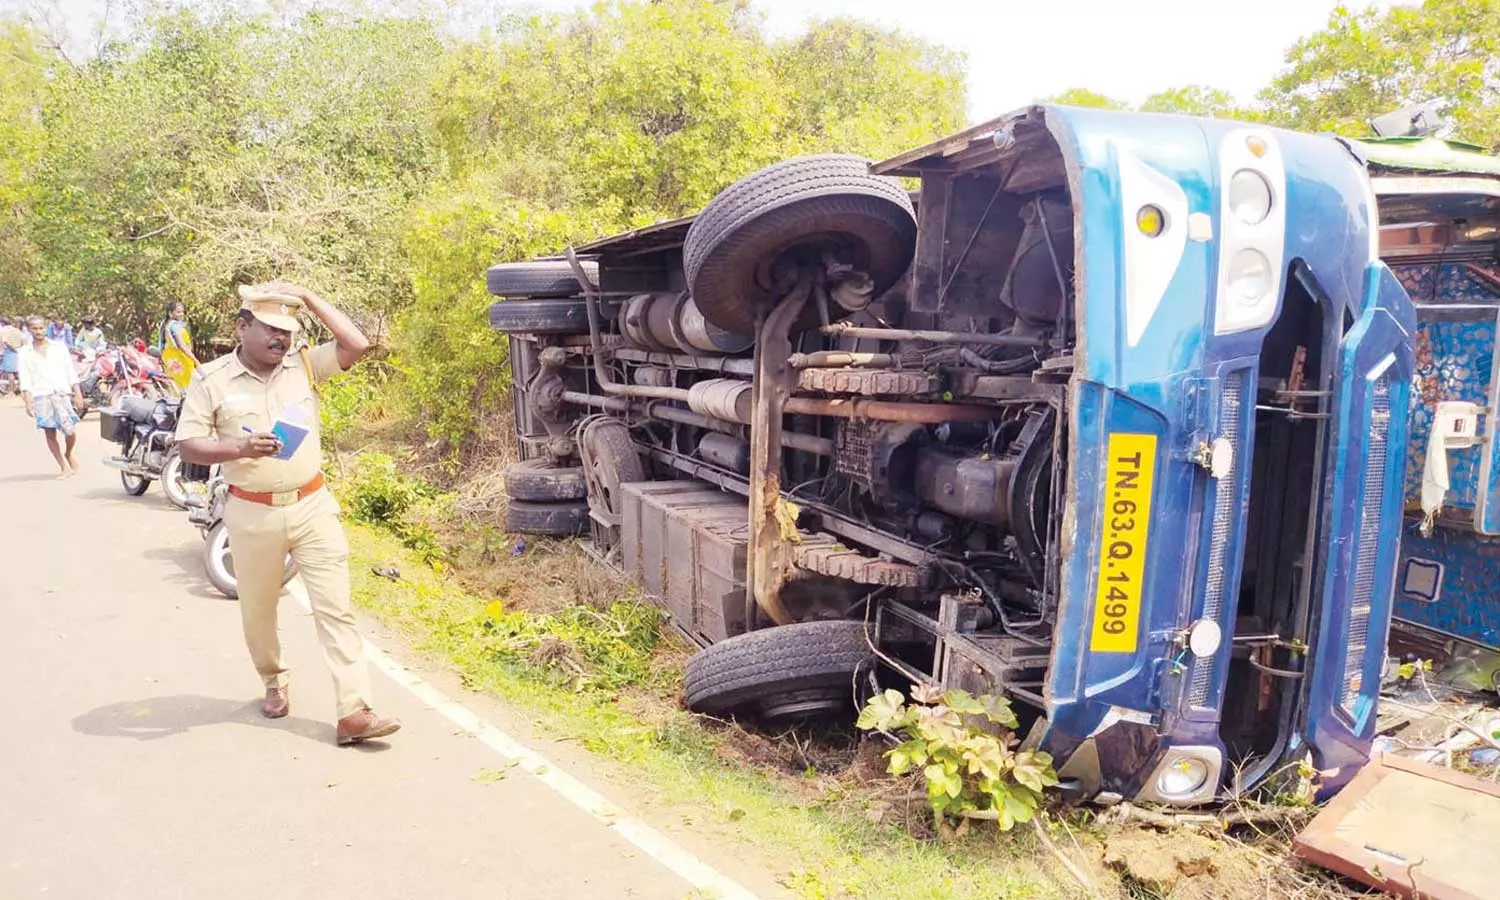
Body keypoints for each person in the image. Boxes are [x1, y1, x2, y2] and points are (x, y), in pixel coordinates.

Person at [175, 283, 400, 745]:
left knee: (335, 608)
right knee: (258, 610)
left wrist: (311, 298)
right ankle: (274, 678)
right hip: (251, 512)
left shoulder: (303, 365)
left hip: (312, 505)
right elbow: (189, 443)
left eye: (288, 330)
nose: (281, 339)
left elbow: (356, 344)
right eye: (271, 329)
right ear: (242, 326)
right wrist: (239, 446)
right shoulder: (212, 379)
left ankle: (355, 710)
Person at [17, 315, 84, 477]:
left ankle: (68, 453)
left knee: (70, 431)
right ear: (29, 330)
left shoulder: (59, 347)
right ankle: (63, 466)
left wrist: (78, 394)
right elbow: (25, 378)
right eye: (35, 328)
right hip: (41, 394)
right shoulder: (25, 353)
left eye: (41, 328)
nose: (38, 331)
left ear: (45, 328)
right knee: (50, 432)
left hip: (61, 392)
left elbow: (70, 371)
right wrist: (28, 401)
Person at [157, 301, 198, 391]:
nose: (181, 314)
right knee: (187, 387)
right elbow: (182, 346)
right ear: (170, 313)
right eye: (178, 312)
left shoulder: (165, 324)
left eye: (182, 312)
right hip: (181, 359)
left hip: (169, 359)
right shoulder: (175, 326)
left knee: (174, 387)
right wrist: (195, 361)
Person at [0, 317, 22, 394]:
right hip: (19, 351)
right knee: (18, 372)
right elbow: (23, 341)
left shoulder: (4, 331)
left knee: (10, 373)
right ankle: (19, 388)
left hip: (9, 352)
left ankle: (11, 391)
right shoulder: (17, 330)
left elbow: (5, 342)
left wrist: (12, 349)